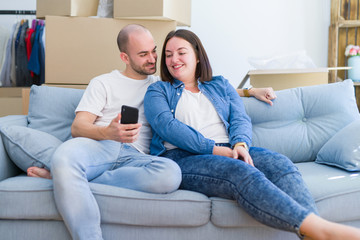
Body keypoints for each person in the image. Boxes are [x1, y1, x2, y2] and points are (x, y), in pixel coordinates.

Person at [25, 24, 277, 240]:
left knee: (170, 175)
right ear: (125, 57)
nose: (153, 59)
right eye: (143, 54)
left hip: (138, 157)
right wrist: (108, 132)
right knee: (64, 158)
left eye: (154, 51)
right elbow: (78, 127)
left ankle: (70, 180)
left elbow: (209, 86)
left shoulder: (161, 85)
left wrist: (250, 91)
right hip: (100, 146)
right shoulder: (103, 82)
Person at [143, 29, 360, 240]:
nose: (174, 59)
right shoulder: (158, 90)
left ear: (198, 56)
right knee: (239, 170)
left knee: (280, 163)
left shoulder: (220, 84)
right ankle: (322, 230)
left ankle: (311, 235)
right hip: (182, 156)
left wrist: (240, 145)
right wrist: (215, 150)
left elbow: (240, 118)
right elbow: (167, 126)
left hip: (229, 148)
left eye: (181, 52)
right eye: (169, 55)